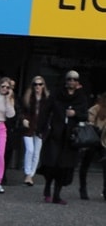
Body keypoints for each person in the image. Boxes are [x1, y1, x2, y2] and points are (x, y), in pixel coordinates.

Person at [39, 69, 90, 204]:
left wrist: (75, 113)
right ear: (65, 81)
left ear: (78, 82)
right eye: (69, 79)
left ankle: (57, 194)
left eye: (74, 79)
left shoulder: (81, 97)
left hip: (71, 138)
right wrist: (41, 128)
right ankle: (47, 188)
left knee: (64, 166)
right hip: (55, 134)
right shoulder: (57, 94)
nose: (72, 82)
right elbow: (45, 110)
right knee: (52, 163)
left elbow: (85, 114)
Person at [20, 75, 50, 185]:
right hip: (28, 127)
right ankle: (27, 173)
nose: (38, 86)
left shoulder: (46, 99)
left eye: (40, 84)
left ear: (43, 86)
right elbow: (22, 110)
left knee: (36, 152)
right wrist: (23, 119)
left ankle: (30, 175)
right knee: (30, 150)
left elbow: (49, 114)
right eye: (35, 84)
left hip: (40, 128)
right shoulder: (28, 98)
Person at [78, 91, 106, 200]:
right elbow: (89, 121)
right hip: (93, 139)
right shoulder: (96, 108)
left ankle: (105, 190)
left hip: (103, 141)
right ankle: (83, 188)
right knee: (85, 164)